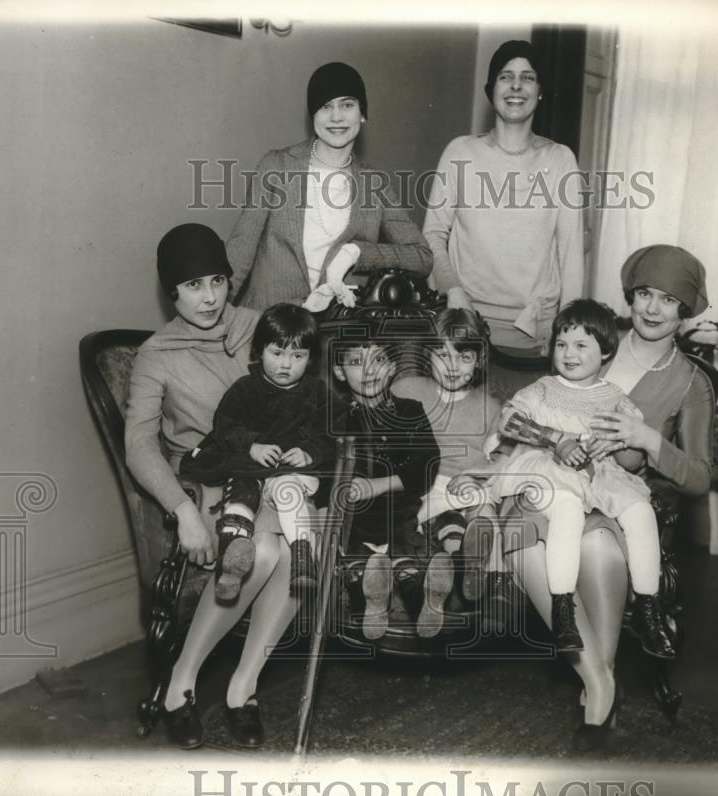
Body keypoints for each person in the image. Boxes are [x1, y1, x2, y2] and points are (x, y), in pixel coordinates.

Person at [502, 245, 714, 749]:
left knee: (598, 545)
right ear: (630, 296)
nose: (653, 309)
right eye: (644, 294)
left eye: (668, 300)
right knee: (530, 529)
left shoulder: (690, 382)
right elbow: (525, 406)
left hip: (615, 498)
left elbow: (701, 477)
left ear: (685, 310)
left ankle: (601, 681)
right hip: (550, 483)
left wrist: (650, 442)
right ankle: (601, 684)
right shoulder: (588, 338)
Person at [124, 223, 307, 750]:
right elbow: (139, 443)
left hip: (273, 473)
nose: (208, 298)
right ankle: (181, 681)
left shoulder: (259, 326)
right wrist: (181, 510)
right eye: (192, 286)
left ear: (231, 282)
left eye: (217, 282)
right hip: (208, 478)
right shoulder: (156, 354)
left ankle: (242, 686)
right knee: (263, 552)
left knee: (300, 551)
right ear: (172, 292)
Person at [471, 300, 674, 659]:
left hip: (598, 473)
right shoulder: (544, 389)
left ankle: (648, 609)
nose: (569, 354)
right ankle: (563, 608)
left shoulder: (615, 398)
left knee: (640, 509)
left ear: (605, 351)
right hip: (549, 467)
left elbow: (631, 456)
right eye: (562, 344)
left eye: (582, 345)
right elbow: (509, 421)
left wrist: (617, 439)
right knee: (566, 507)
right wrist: (556, 439)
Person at [227, 61, 432, 311]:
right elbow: (239, 254)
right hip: (271, 331)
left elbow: (422, 256)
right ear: (313, 114)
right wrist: (215, 325)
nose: (336, 117)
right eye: (325, 106)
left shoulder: (375, 183)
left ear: (363, 113)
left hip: (334, 334)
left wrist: (357, 252)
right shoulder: (276, 166)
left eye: (347, 105)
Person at [423, 40, 583, 357]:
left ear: (540, 92)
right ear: (491, 89)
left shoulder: (561, 159)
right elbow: (433, 233)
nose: (516, 86)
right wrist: (453, 293)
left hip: (532, 334)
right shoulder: (460, 152)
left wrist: (567, 335)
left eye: (528, 77)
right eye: (505, 76)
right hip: (461, 325)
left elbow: (571, 256)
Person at [179, 304, 332, 601]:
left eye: (297, 356)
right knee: (240, 494)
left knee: (289, 491)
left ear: (311, 359)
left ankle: (303, 560)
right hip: (250, 469)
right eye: (277, 353)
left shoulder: (317, 393)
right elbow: (224, 425)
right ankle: (232, 562)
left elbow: (330, 435)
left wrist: (309, 453)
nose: (286, 364)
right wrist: (252, 444)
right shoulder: (245, 388)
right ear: (260, 351)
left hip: (288, 474)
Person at [330, 329, 448, 639]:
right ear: (339, 371)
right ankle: (369, 606)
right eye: (356, 361)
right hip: (354, 519)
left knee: (406, 558)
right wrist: (343, 485)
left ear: (393, 366)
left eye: (379, 359)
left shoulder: (410, 411)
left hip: (399, 511)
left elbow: (427, 463)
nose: (369, 371)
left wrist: (381, 484)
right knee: (355, 563)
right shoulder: (335, 417)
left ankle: (424, 605)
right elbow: (323, 467)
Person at [391, 308, 510, 615]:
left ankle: (485, 575)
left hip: (464, 485)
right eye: (443, 355)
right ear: (426, 354)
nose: (453, 366)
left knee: (483, 509)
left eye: (464, 357)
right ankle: (449, 564)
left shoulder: (490, 407)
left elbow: (500, 459)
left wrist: (478, 476)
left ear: (479, 360)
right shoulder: (407, 389)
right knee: (408, 520)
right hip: (421, 488)